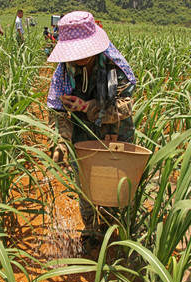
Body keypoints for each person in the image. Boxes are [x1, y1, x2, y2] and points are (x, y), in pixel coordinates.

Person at [46, 11, 136, 247]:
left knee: (112, 183)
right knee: (85, 184)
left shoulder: (114, 66)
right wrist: (62, 142)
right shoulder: (64, 71)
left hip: (115, 131)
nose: (78, 58)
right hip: (82, 134)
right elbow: (58, 112)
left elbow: (125, 107)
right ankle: (92, 232)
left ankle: (112, 229)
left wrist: (88, 106)